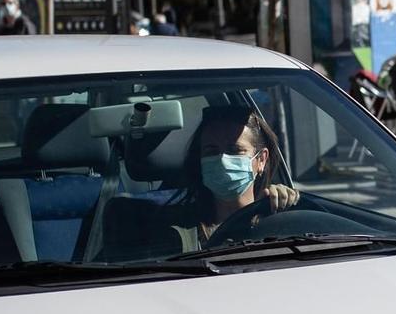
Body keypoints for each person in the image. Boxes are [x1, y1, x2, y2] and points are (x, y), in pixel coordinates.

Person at [103, 105, 300, 257]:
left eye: (234, 150)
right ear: (200, 161)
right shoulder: (170, 231)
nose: (223, 159)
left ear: (261, 160)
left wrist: (287, 207)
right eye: (211, 151)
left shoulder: (279, 220)